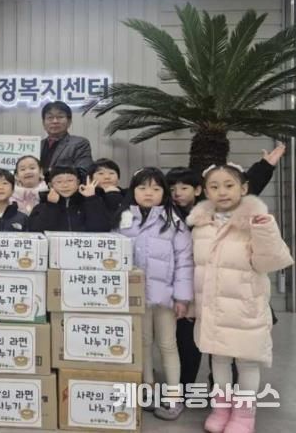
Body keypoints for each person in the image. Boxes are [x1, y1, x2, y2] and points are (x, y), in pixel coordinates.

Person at [187, 164, 293, 433]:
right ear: (206, 192)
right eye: (214, 187)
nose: (222, 192)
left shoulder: (256, 222)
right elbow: (195, 269)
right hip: (213, 309)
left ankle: (244, 416)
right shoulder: (200, 226)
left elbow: (272, 262)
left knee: (247, 363)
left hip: (245, 308)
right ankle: (221, 410)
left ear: (244, 188)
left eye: (229, 185)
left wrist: (265, 230)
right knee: (219, 361)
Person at [115, 167, 193, 421]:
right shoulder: (123, 219)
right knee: (142, 343)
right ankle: (147, 389)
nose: (149, 193)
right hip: (134, 298)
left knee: (168, 345)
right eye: (142, 188)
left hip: (165, 298)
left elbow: (185, 261)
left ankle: (173, 397)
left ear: (164, 193)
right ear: (133, 191)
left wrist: (182, 297)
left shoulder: (174, 222)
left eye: (156, 188)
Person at [28, 165, 110, 232]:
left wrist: (91, 199)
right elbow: (36, 231)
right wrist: (51, 205)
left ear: (78, 183)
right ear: (51, 185)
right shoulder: (41, 207)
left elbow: (102, 228)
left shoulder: (91, 202)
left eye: (70, 180)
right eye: (59, 182)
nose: (65, 185)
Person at [40, 101, 93, 173]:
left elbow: (83, 171)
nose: (55, 121)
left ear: (69, 122)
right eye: (50, 117)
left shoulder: (80, 143)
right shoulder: (38, 145)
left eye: (60, 117)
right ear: (43, 123)